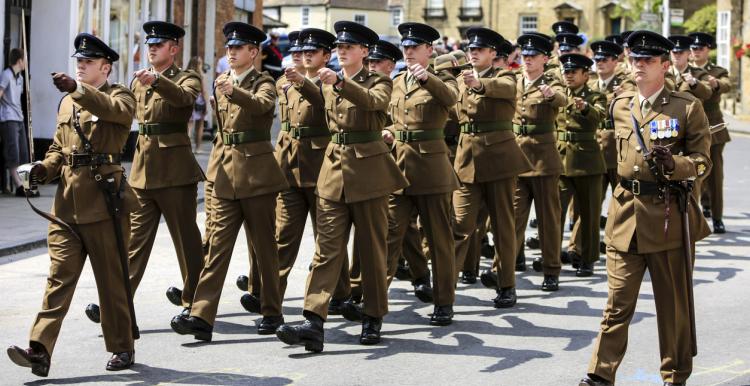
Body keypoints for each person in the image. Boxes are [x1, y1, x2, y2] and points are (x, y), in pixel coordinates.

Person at [580, 30, 712, 386]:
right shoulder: (620, 104)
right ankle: (599, 374)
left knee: (673, 309)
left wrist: (676, 165)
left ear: (665, 66)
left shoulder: (686, 107)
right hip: (625, 216)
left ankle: (674, 375)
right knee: (617, 304)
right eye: (635, 59)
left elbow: (703, 163)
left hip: (668, 215)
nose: (639, 65)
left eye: (648, 60)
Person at [7, 33, 138, 375]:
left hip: (105, 201)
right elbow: (58, 150)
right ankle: (39, 349)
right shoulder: (67, 103)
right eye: (78, 61)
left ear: (105, 67)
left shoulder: (120, 95)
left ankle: (122, 346)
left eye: (88, 62)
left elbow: (111, 110)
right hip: (67, 206)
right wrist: (41, 170)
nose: (80, 65)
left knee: (111, 281)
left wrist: (77, 90)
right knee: (58, 278)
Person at [276, 21, 407, 351]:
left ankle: (373, 315)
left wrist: (339, 83)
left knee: (371, 250)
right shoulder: (329, 80)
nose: (342, 51)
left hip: (369, 174)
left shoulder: (379, 80)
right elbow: (319, 98)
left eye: (349, 47)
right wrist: (299, 82)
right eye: (339, 47)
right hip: (333, 172)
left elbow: (372, 102)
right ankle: (313, 321)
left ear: (364, 52)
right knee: (326, 251)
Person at [170, 22, 288, 340]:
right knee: (217, 248)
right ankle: (202, 316)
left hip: (258, 176)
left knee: (264, 247)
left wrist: (233, 92)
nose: (231, 53)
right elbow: (223, 131)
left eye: (238, 49)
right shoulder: (222, 82)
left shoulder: (264, 82)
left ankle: (272, 311)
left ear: (254, 52)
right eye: (229, 48)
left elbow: (263, 107)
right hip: (225, 176)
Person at [83, 21, 205, 324]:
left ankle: (197, 303)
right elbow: (122, 113)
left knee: (186, 242)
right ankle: (117, 302)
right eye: (149, 44)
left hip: (175, 173)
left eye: (159, 44)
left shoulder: (187, 78)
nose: (152, 48)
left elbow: (185, 100)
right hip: (142, 170)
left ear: (173, 49)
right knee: (133, 243)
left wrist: (157, 81)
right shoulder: (137, 82)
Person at [379, 22, 459, 325]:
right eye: (405, 47)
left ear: (430, 50)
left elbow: (451, 100)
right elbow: (390, 119)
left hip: (431, 170)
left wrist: (428, 79)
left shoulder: (443, 79)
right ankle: (374, 304)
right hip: (399, 168)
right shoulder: (398, 81)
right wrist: (388, 132)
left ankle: (443, 302)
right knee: (387, 236)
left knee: (439, 240)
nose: (408, 52)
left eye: (415, 47)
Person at [453, 27, 532, 307]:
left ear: (492, 54)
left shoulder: (505, 76)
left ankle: (506, 283)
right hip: (466, 161)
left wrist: (479, 85)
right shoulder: (462, 80)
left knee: (502, 227)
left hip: (498, 161)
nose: (473, 54)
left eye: (479, 50)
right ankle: (445, 289)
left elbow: (508, 89)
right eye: (470, 50)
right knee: (460, 225)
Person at [511, 32, 566, 291]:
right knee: (513, 218)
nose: (528, 60)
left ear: (545, 58)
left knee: (548, 220)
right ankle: (507, 266)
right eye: (524, 55)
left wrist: (550, 95)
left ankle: (551, 269)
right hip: (517, 159)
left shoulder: (552, 81)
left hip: (544, 160)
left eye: (533, 56)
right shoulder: (513, 81)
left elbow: (562, 100)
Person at [555, 53, 607, 277]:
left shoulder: (596, 95)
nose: (568, 76)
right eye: (565, 72)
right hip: (561, 160)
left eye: (573, 72)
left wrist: (586, 108)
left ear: (586, 75)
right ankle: (552, 256)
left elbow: (600, 117)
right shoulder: (558, 95)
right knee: (555, 212)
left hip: (587, 162)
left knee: (589, 214)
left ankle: (588, 259)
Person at [690, 32, 732, 234]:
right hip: (690, 128)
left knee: (714, 176)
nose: (695, 51)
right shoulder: (684, 71)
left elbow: (726, 84)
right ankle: (693, 216)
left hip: (713, 127)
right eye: (693, 48)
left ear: (708, 49)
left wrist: (715, 83)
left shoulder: (716, 70)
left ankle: (717, 217)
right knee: (692, 174)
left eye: (700, 48)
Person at [0, 48, 32, 197]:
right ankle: (19, 186)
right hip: (8, 118)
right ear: (19, 61)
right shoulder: (6, 75)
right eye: (24, 59)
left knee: (23, 153)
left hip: (19, 118)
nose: (26, 62)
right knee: (13, 153)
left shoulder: (20, 77)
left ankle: (25, 185)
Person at [187, 56, 208, 153]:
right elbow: (203, 91)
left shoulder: (186, 74)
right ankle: (198, 148)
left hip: (189, 101)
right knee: (199, 125)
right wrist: (207, 105)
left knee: (189, 125)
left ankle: (186, 148)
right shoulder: (201, 75)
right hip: (199, 102)